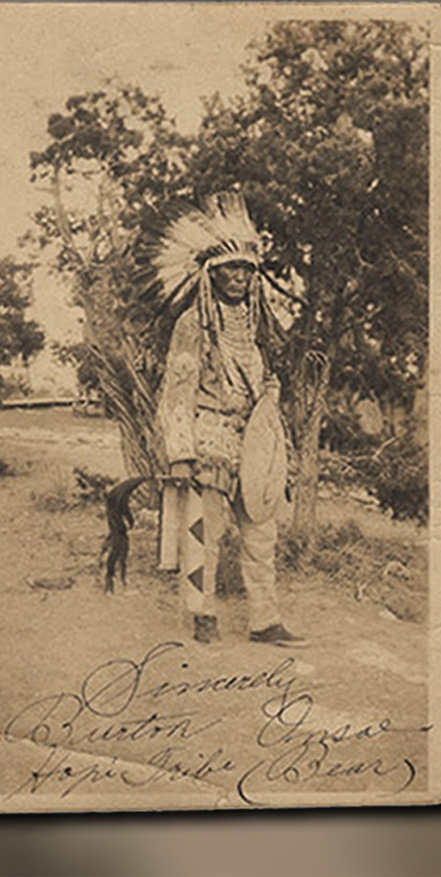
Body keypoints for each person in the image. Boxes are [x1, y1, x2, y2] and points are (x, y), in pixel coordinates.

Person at [153, 193, 303, 646]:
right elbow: (176, 391)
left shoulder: (259, 324)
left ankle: (264, 620)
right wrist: (180, 452)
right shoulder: (192, 324)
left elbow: (265, 385)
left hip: (253, 441)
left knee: (261, 534)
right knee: (205, 532)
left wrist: (275, 427)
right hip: (208, 439)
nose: (238, 277)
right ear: (210, 274)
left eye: (245, 269)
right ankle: (201, 613)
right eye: (229, 269)